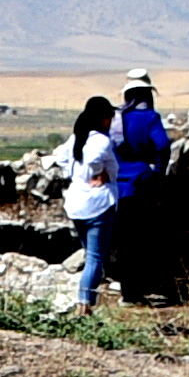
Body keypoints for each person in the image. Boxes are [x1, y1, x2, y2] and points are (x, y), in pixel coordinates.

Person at [53, 93, 125, 310]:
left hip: (76, 203)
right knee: (95, 257)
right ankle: (84, 303)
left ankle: (86, 299)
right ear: (103, 117)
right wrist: (96, 172)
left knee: (90, 253)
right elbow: (95, 160)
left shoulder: (77, 138)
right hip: (98, 203)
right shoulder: (101, 141)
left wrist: (76, 175)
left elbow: (61, 158)